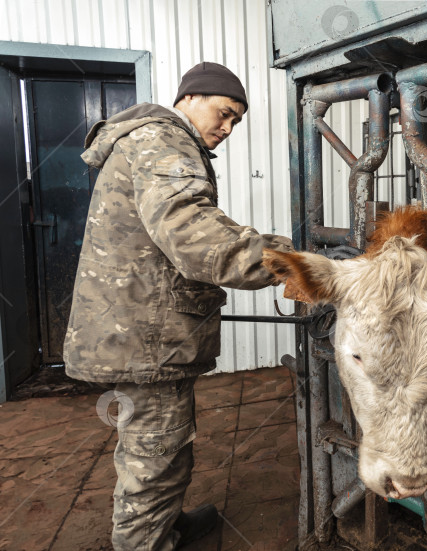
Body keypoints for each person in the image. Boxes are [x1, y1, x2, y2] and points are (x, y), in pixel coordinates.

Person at [63, 62, 293, 550]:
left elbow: (193, 221)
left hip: (140, 329)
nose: (228, 129)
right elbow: (195, 237)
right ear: (189, 98)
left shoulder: (154, 142)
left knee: (161, 446)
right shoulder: (163, 142)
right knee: (155, 457)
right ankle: (145, 541)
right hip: (145, 337)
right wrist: (290, 263)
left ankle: (164, 523)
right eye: (225, 113)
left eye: (237, 122)